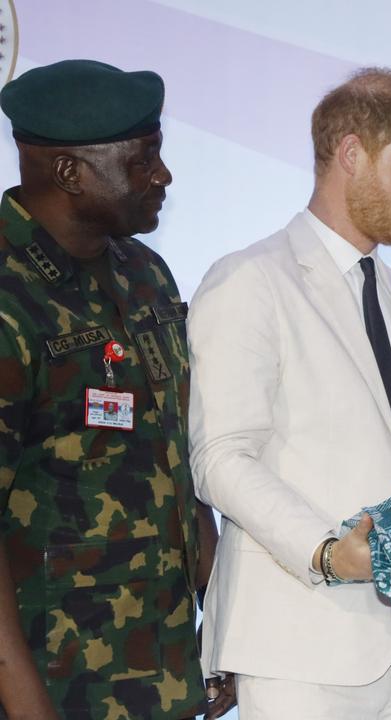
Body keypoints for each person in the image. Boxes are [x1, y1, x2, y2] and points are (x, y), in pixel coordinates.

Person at [187, 68, 391, 719]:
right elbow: (222, 456)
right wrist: (325, 549)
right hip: (301, 651)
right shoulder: (250, 281)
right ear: (351, 154)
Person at [0, 59, 230, 719]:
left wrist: (221, 625)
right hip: (55, 685)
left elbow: (175, 459)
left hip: (161, 675)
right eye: (142, 161)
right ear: (71, 172)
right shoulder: (10, 301)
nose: (162, 176)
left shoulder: (144, 274)